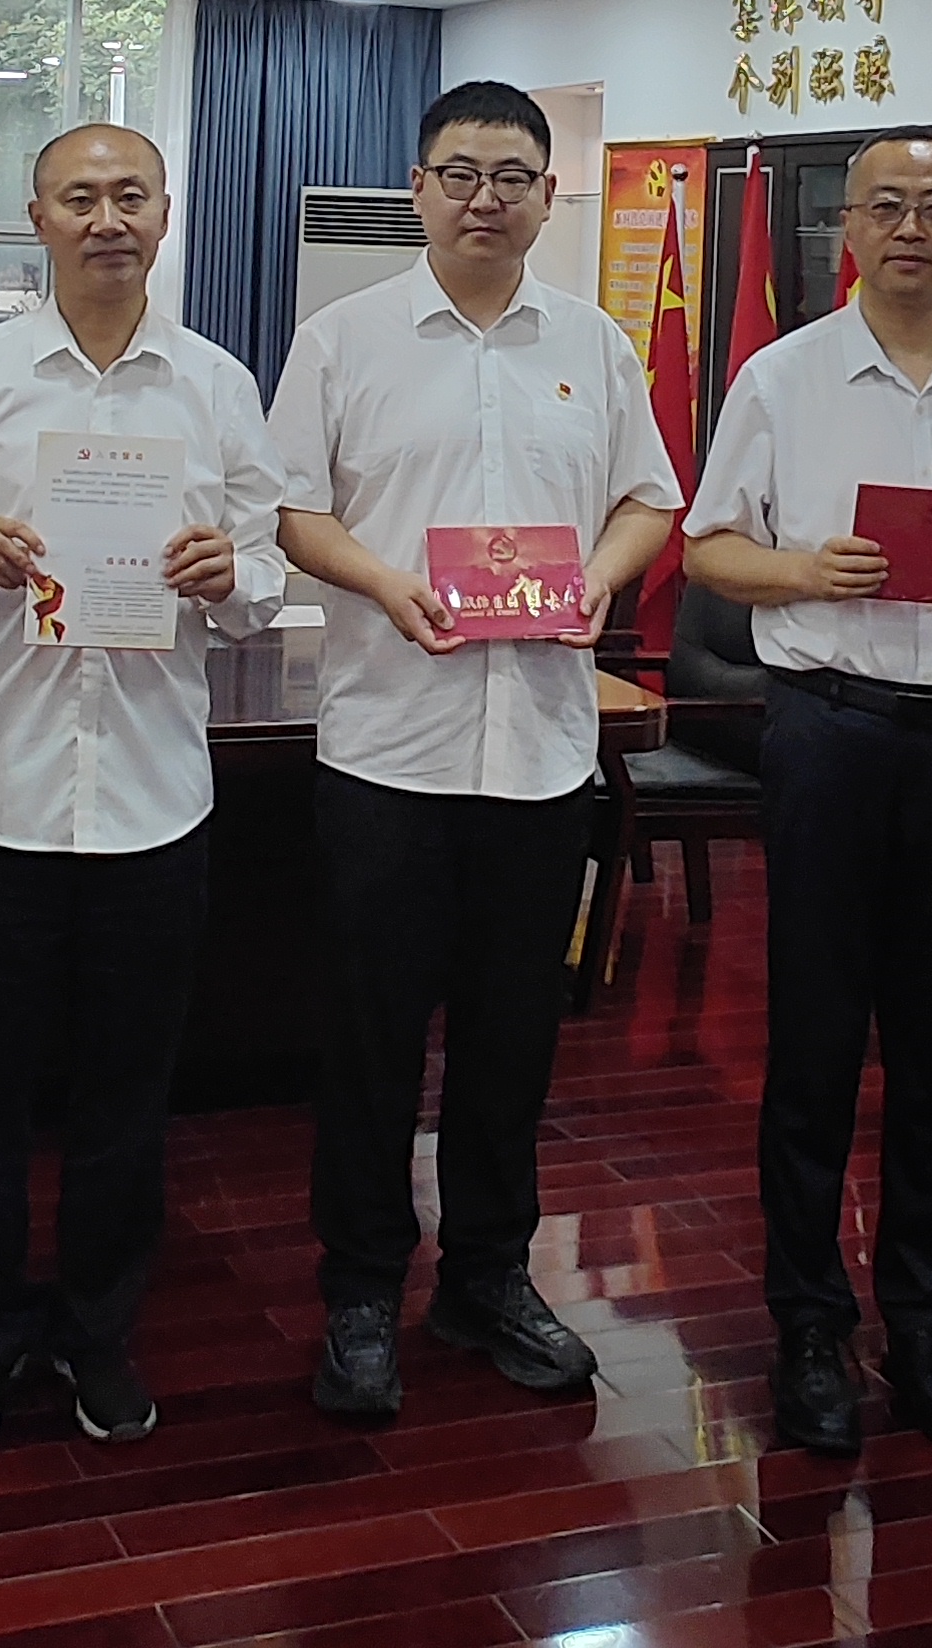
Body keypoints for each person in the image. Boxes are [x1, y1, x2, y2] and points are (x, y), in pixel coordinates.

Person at [270, 78, 681, 1422]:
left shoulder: (596, 345)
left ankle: (490, 1277)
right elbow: (292, 511)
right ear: (418, 188)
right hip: (390, 748)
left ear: (549, 196)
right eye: (460, 174)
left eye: (512, 177)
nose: (485, 199)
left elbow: (648, 499)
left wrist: (602, 579)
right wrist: (386, 583)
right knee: (371, 1040)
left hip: (543, 756)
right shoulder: (343, 340)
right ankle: (359, 1292)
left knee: (515, 1038)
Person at [680, 133, 932, 1459]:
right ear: (849, 226)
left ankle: (924, 1326)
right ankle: (808, 1325)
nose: (912, 227)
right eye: (888, 206)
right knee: (811, 1044)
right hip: (831, 734)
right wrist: (808, 571)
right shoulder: (782, 377)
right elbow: (711, 548)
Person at [0, 123, 284, 1453]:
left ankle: (100, 1330)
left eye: (129, 197)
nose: (106, 219)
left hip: (155, 799)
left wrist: (232, 578)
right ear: (38, 218)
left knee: (128, 1098)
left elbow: (267, 570)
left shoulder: (218, 385)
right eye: (80, 198)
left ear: (165, 215)